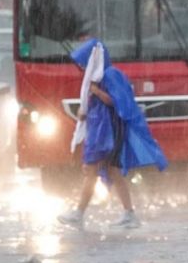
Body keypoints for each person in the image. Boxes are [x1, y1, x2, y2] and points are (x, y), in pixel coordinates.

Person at [58, 39, 168, 229]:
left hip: (109, 132)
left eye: (85, 62)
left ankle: (80, 213)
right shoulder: (97, 78)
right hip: (100, 133)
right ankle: (126, 213)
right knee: (111, 171)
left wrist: (96, 92)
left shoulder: (110, 75)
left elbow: (117, 102)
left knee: (94, 170)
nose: (83, 67)